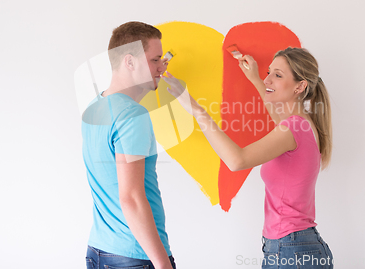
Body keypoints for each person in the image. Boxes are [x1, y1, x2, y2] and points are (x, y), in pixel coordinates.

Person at [163, 47, 334, 269]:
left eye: (278, 75)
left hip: (292, 250)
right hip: (294, 247)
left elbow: (237, 161)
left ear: (300, 86)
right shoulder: (302, 124)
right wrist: (254, 78)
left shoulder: (293, 128)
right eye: (269, 72)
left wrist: (196, 110)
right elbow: (277, 117)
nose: (268, 79)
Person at [82, 22, 176, 269]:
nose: (162, 67)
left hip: (99, 250)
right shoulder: (133, 115)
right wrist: (163, 264)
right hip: (135, 256)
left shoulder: (94, 108)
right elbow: (131, 198)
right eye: (155, 60)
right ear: (129, 62)